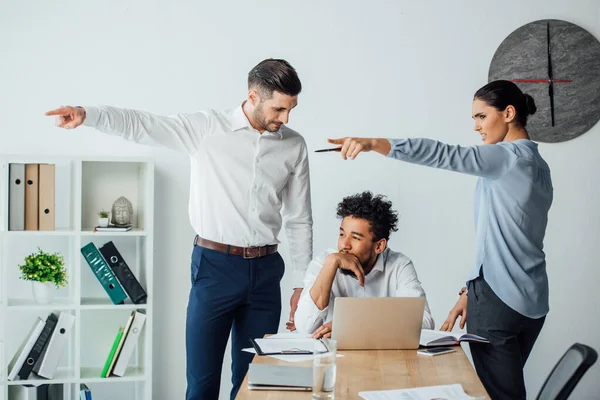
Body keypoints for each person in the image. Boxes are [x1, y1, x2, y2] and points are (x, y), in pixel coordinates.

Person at [45, 58, 313, 400]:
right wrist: (89, 114)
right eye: (279, 109)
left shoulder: (294, 145)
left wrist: (301, 282)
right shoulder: (206, 129)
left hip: (266, 272)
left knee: (253, 384)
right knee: (202, 383)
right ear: (253, 96)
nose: (285, 119)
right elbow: (142, 124)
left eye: (291, 110)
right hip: (215, 267)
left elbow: (299, 217)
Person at [327, 80, 552, 400]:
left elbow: (445, 155)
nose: (475, 126)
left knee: (499, 396)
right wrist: (472, 290)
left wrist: (375, 143)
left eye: (481, 117)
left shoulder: (505, 157)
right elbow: (512, 235)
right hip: (531, 303)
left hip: (498, 303)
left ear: (509, 113)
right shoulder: (539, 165)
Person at [294, 191, 434, 338]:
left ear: (379, 246)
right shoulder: (324, 262)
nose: (344, 245)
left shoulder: (399, 265)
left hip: (385, 358)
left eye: (355, 238)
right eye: (342, 234)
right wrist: (330, 264)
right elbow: (305, 328)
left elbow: (423, 322)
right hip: (333, 356)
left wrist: (353, 327)